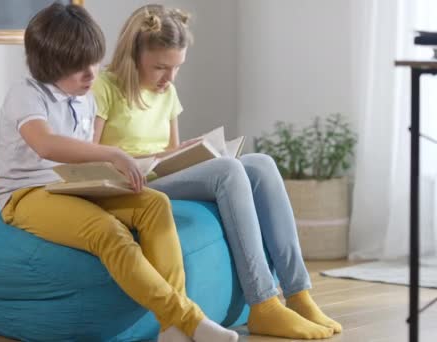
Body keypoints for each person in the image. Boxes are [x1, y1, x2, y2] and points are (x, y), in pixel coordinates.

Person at [92, 4, 342, 340]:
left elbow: (171, 153)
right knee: (227, 171)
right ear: (132, 56)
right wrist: (162, 155)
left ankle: (298, 294)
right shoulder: (105, 88)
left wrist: (186, 152)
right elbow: (92, 158)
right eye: (160, 67)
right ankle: (263, 303)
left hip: (163, 173)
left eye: (177, 67)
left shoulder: (168, 93)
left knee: (261, 164)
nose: (169, 77)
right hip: (134, 183)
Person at [0, 3, 238, 342]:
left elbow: (84, 158)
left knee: (154, 204)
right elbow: (45, 144)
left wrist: (124, 169)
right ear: (50, 64)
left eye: (93, 63)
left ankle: (171, 330)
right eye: (78, 68)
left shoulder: (84, 97)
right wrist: (112, 153)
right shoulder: (27, 94)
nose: (91, 75)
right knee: (107, 232)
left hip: (76, 186)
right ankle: (186, 317)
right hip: (28, 193)